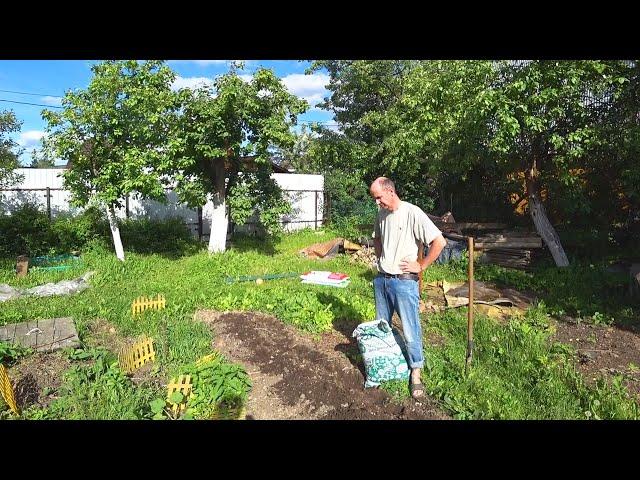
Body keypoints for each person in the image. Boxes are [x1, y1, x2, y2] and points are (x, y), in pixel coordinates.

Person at [370, 177, 446, 400]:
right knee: (381, 326)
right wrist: (381, 258)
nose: (377, 203)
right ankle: (384, 365)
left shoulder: (412, 212)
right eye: (375, 198)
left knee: (411, 330)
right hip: (382, 280)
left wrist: (420, 265)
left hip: (404, 282)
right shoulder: (381, 214)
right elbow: (377, 238)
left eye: (379, 197)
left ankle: (416, 373)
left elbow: (439, 242)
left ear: (390, 192)